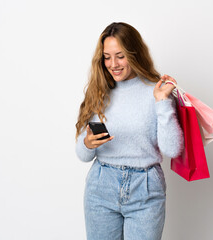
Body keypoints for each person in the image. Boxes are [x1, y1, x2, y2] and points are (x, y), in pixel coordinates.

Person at [75, 22, 184, 240]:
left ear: (134, 54)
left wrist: (162, 101)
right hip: (101, 186)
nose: (113, 64)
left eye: (120, 56)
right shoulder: (99, 91)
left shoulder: (156, 91)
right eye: (107, 57)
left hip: (145, 187)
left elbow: (173, 149)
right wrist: (87, 143)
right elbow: (82, 155)